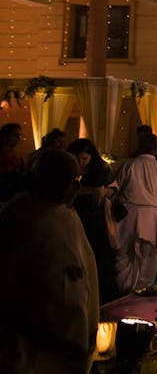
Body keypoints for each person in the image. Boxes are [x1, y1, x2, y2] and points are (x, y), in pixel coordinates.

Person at [0, 150, 100, 373]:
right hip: (33, 354)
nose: (76, 187)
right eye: (71, 179)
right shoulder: (22, 220)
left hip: (70, 349)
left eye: (78, 180)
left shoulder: (66, 215)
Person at [114, 131, 157, 294]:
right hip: (152, 223)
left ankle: (124, 295)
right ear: (155, 149)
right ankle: (142, 296)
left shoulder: (129, 165)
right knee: (147, 265)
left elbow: (114, 191)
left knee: (125, 261)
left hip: (128, 219)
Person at [68, 137, 121, 304]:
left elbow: (114, 189)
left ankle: (101, 297)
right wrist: (88, 190)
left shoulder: (100, 169)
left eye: (85, 158)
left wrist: (104, 192)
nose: (81, 162)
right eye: (78, 158)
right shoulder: (69, 170)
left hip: (97, 221)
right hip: (75, 218)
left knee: (99, 258)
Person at [0, 122, 26, 205]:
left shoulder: (13, 151)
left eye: (19, 135)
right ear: (5, 136)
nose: (18, 138)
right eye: (15, 135)